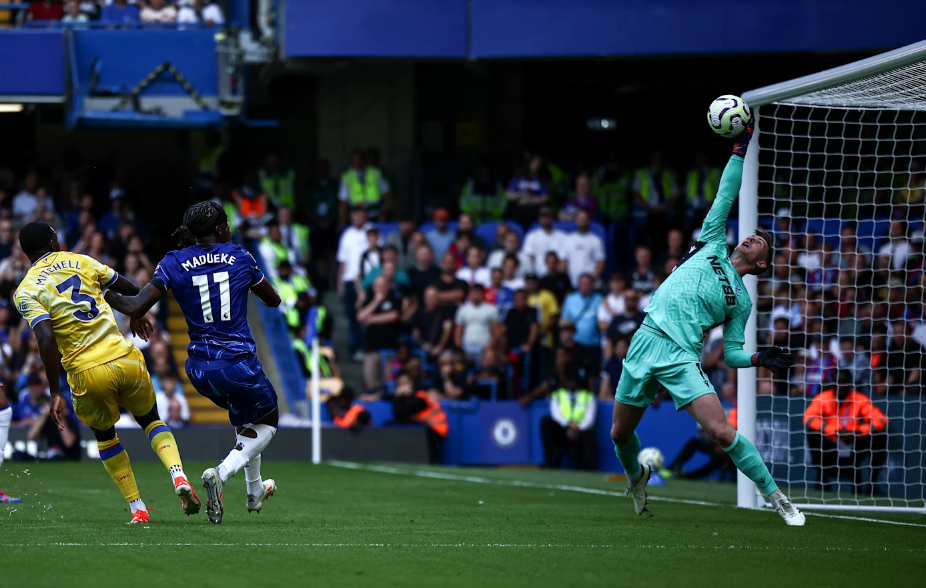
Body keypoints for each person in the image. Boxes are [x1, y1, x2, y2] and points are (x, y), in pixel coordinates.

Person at [609, 119, 806, 526]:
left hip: (681, 357)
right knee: (619, 434)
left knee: (721, 432)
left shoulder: (742, 301)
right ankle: (637, 478)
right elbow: (726, 192)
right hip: (646, 339)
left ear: (762, 262)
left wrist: (758, 357)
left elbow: (731, 352)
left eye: (759, 241)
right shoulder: (713, 240)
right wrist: (739, 149)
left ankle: (777, 498)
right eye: (751, 234)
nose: (750, 237)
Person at [104, 202, 282, 525]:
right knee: (269, 418)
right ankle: (222, 473)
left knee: (247, 415)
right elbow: (273, 300)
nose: (229, 227)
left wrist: (102, 292)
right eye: (225, 223)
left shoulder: (174, 261)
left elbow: (136, 304)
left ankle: (254, 491)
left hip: (199, 369)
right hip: (237, 360)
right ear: (218, 229)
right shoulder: (240, 256)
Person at [14, 221, 200, 524]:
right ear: (51, 243)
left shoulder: (25, 291)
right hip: (124, 357)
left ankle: (137, 508)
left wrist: (55, 392)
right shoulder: (81, 260)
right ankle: (178, 477)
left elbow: (46, 339)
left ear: (25, 253)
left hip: (87, 372)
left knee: (106, 436)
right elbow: (131, 288)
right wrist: (132, 310)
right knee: (151, 420)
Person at [803, 370, 889, 495]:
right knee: (812, 432)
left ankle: (872, 484)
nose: (840, 386)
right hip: (831, 443)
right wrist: (834, 431)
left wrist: (858, 433)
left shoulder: (859, 399)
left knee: (880, 435)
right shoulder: (823, 398)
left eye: (844, 383)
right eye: (838, 382)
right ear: (832, 383)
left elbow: (882, 420)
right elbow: (808, 418)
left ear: (850, 384)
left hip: (854, 443)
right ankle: (822, 479)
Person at [541, 369, 597, 470]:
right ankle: (549, 462)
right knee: (546, 422)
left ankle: (589, 468)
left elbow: (590, 417)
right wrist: (568, 425)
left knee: (590, 434)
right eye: (569, 380)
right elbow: (555, 414)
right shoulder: (558, 395)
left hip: (580, 432)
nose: (571, 383)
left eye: (573, 381)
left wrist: (577, 428)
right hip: (562, 431)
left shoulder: (587, 396)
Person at [337, 206, 373, 361]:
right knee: (352, 317)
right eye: (355, 215)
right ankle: (355, 348)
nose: (357, 218)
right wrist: (340, 281)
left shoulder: (372, 232)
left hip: (368, 281)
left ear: (365, 216)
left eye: (360, 215)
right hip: (350, 280)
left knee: (365, 316)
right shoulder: (347, 234)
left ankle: (367, 347)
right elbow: (342, 261)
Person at [392, 370, 448, 464]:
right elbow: (397, 416)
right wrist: (398, 397)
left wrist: (397, 396)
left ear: (411, 383)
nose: (403, 386)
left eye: (405, 382)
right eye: (401, 384)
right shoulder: (406, 398)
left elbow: (404, 412)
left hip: (436, 429)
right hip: (425, 429)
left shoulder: (420, 397)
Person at [561, 274, 604, 379]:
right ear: (578, 285)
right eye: (583, 283)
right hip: (575, 342)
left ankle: (592, 394)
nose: (585, 286)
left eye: (588, 283)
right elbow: (564, 321)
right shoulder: (570, 299)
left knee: (593, 373)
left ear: (592, 285)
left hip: (594, 342)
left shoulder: (599, 298)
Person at [339, 148, 390, 224]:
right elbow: (343, 201)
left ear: (364, 160)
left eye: (359, 160)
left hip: (375, 214)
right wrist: (341, 221)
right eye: (354, 160)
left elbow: (387, 194)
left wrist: (384, 213)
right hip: (356, 216)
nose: (357, 162)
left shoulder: (375, 173)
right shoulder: (347, 176)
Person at [454, 284, 500, 360]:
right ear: (470, 294)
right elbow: (458, 332)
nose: (476, 296)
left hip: (484, 347)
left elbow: (497, 332)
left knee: (490, 356)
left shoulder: (491, 309)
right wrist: (460, 347)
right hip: (466, 346)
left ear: (483, 294)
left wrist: (490, 346)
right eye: (474, 293)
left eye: (478, 293)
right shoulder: (463, 309)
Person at [563, 210, 605, 288]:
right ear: (576, 220)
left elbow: (601, 262)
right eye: (580, 219)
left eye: (584, 219)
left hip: (591, 284)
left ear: (589, 221)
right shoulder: (568, 239)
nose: (582, 221)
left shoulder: (596, 240)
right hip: (572, 283)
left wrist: (591, 280)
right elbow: (563, 262)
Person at [522, 207, 567, 277]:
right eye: (543, 216)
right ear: (539, 218)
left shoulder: (562, 237)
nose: (546, 219)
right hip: (537, 276)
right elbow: (529, 257)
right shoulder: (531, 236)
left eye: (548, 216)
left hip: (556, 276)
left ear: (552, 218)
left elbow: (563, 259)